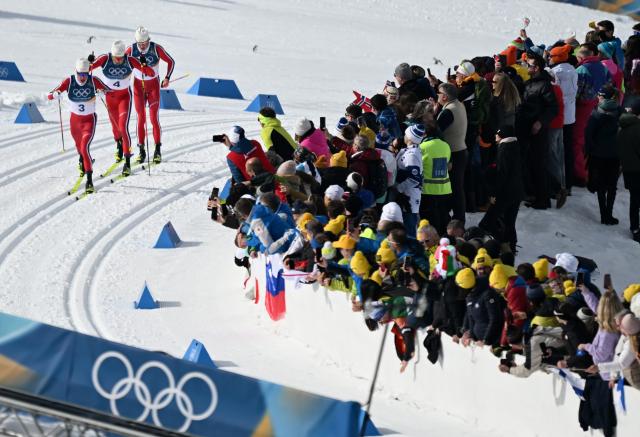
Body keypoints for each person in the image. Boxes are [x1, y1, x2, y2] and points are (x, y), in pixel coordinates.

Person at [89, 40, 155, 176]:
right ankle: (119, 146)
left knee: (123, 127)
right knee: (115, 129)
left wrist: (143, 64)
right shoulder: (105, 59)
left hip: (124, 98)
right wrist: (89, 62)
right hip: (110, 99)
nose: (118, 60)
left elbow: (149, 73)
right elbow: (86, 70)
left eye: (120, 58)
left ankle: (127, 162)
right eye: (115, 58)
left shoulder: (130, 60)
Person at [48, 58, 110, 194]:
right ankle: (83, 159)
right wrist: (55, 94)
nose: (82, 78)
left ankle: (89, 180)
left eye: (85, 74)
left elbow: (110, 91)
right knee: (79, 148)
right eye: (80, 74)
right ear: (76, 72)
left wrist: (102, 92)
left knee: (84, 146)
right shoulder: (69, 81)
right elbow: (49, 95)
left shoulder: (94, 80)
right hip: (74, 122)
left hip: (89, 121)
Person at [125, 26, 176, 164]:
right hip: (138, 87)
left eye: (145, 43)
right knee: (141, 118)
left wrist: (167, 78)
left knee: (153, 118)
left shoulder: (156, 48)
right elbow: (122, 65)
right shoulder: (131, 49)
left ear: (148, 40)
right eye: (140, 43)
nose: (142, 46)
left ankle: (157, 150)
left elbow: (171, 61)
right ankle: (141, 150)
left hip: (153, 86)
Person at [516, 53, 558, 210]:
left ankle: (543, 199)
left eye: (530, 65)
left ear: (537, 68)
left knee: (539, 164)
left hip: (537, 130)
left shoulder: (545, 85)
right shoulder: (530, 82)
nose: (527, 67)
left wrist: (540, 122)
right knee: (530, 163)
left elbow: (553, 108)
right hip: (526, 127)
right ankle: (535, 194)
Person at [480, 125, 523, 252]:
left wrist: (494, 193)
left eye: (497, 134)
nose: (495, 136)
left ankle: (500, 243)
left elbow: (502, 174)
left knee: (487, 222)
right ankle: (511, 246)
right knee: (510, 222)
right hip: (517, 192)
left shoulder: (504, 149)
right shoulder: (515, 147)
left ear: (503, 136)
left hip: (505, 193)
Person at [573, 43, 610, 186]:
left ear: (581, 55)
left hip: (583, 109)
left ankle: (580, 175)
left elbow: (577, 94)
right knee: (590, 140)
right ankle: (591, 172)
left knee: (577, 141)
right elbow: (609, 87)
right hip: (598, 108)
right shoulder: (603, 67)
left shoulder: (582, 69)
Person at [585, 97, 621, 225]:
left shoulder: (595, 116)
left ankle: (603, 215)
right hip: (614, 156)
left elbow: (588, 134)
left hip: (598, 156)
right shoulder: (618, 116)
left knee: (600, 186)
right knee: (612, 187)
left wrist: (590, 151)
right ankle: (609, 214)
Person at [435, 83, 468, 222]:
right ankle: (459, 218)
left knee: (448, 188)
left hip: (451, 154)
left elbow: (435, 130)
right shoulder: (458, 105)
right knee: (457, 188)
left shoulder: (448, 111)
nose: (436, 94)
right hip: (461, 150)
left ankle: (453, 218)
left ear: (445, 96)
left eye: (438, 92)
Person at [550, 45, 578, 193]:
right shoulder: (573, 69)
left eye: (551, 56)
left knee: (557, 152)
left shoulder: (556, 72)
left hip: (559, 116)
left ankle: (559, 185)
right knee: (568, 149)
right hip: (570, 116)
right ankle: (569, 183)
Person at [419, 122, 452, 236]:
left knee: (429, 222)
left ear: (424, 134)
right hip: (444, 189)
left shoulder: (422, 147)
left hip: (428, 190)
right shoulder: (445, 145)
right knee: (443, 218)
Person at [617, 101, 640, 242]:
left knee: (634, 200)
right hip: (638, 170)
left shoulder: (623, 126)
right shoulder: (637, 129)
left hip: (628, 170)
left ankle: (635, 227)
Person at [395, 125, 424, 235]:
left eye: (406, 134)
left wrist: (398, 188)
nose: (404, 136)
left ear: (411, 138)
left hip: (409, 196)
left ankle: (411, 249)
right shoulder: (410, 151)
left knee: (409, 226)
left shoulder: (412, 155)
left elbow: (414, 178)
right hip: (406, 195)